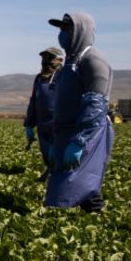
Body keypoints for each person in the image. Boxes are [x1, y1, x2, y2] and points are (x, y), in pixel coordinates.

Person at [45, 12, 113, 212]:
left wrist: (79, 141)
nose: (62, 34)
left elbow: (95, 104)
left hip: (85, 132)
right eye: (61, 29)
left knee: (80, 182)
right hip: (65, 132)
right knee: (74, 182)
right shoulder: (69, 63)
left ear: (81, 31)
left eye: (67, 29)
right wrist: (53, 140)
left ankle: (95, 221)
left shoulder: (93, 60)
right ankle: (91, 218)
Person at [24, 46, 64, 180]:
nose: (46, 63)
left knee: (58, 155)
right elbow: (34, 100)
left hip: (59, 123)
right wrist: (29, 124)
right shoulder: (39, 78)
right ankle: (50, 171)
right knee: (46, 154)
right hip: (42, 124)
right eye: (44, 59)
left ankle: (58, 179)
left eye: (50, 59)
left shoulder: (65, 77)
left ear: (59, 60)